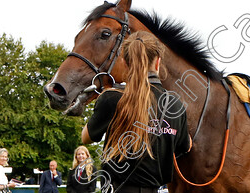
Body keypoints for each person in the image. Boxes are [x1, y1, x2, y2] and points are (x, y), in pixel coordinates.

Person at [81, 32, 191, 193]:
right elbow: (185, 146)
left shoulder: (112, 99)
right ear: (158, 62)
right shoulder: (175, 105)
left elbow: (86, 137)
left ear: (125, 63)